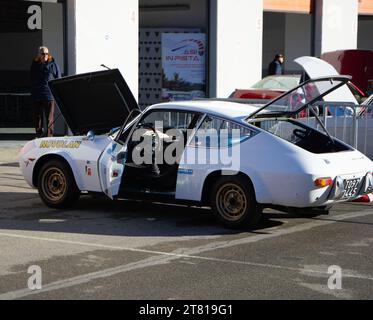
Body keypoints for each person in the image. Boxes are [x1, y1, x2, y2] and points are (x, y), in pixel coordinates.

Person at [30, 46, 61, 137]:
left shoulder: (53, 64)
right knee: (37, 117)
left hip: (48, 95)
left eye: (47, 53)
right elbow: (32, 78)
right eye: (43, 53)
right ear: (39, 54)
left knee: (49, 119)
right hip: (36, 94)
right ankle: (39, 135)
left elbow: (58, 78)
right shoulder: (34, 64)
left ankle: (49, 137)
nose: (45, 55)